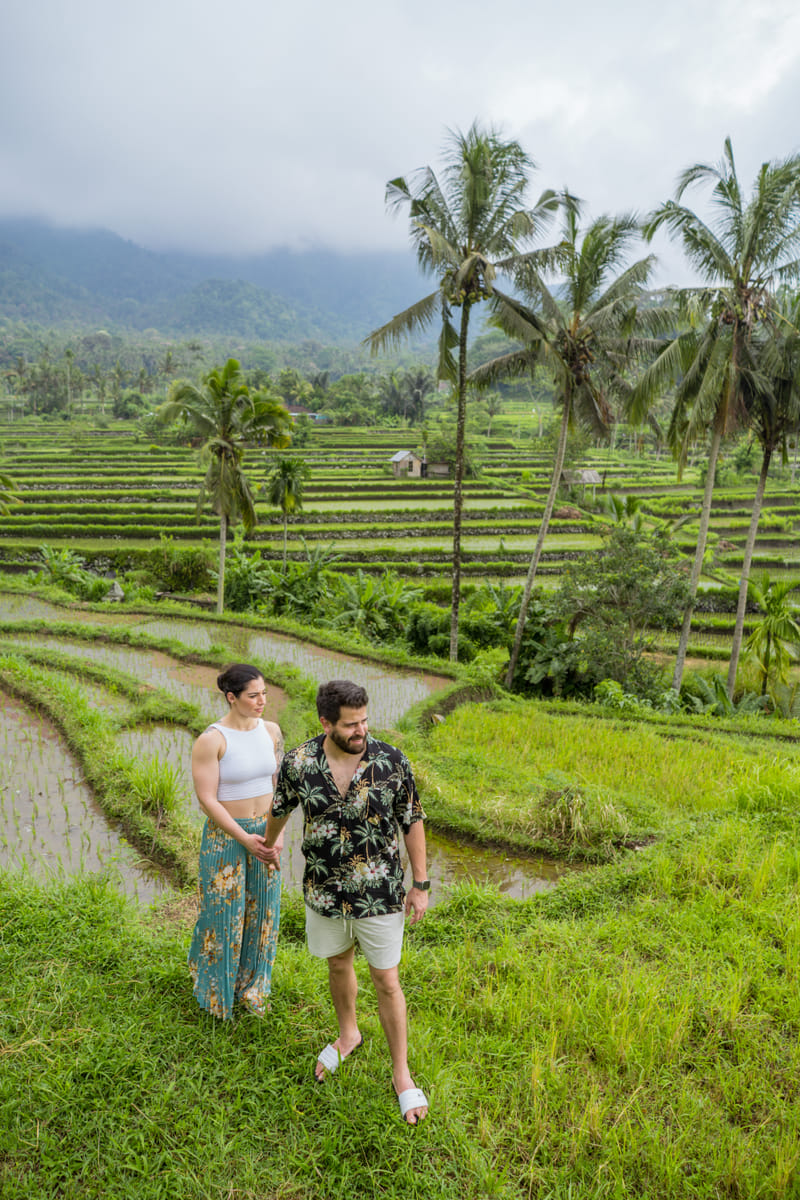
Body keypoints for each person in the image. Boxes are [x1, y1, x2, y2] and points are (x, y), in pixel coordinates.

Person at [265, 679, 430, 1125]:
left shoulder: (391, 761)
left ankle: (401, 1073)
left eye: (364, 721)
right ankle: (348, 1034)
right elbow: (280, 808)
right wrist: (267, 846)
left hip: (379, 893)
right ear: (326, 723)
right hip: (324, 890)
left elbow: (412, 820)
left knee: (386, 980)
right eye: (350, 724)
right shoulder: (300, 762)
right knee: (338, 965)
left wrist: (422, 883)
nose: (361, 730)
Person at [187, 663, 284, 1019]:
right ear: (232, 697)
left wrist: (277, 835)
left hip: (265, 832)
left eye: (264, 694)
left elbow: (279, 789)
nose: (262, 701)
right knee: (224, 913)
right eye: (253, 695)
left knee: (264, 913)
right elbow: (207, 800)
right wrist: (245, 838)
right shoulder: (212, 740)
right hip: (227, 837)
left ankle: (254, 990)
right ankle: (217, 995)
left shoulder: (271, 732)